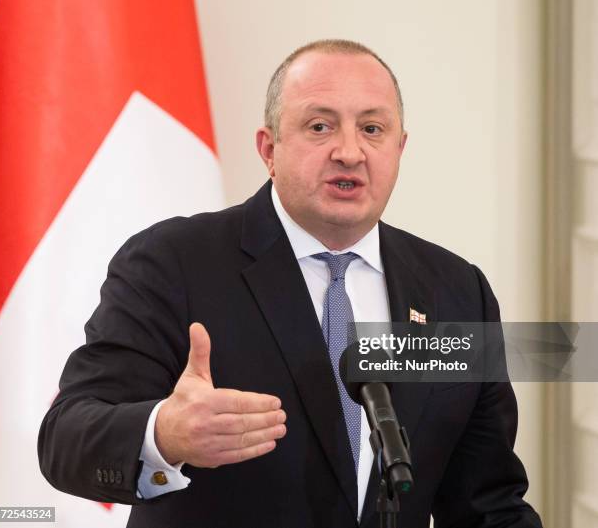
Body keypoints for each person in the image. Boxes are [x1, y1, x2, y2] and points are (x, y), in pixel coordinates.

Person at [38, 39, 543, 528]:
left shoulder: (457, 290)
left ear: (399, 147)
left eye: (372, 129)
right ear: (269, 147)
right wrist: (163, 435)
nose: (350, 152)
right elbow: (65, 438)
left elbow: (487, 504)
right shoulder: (173, 263)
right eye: (320, 126)